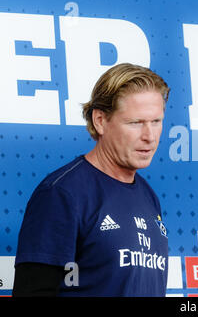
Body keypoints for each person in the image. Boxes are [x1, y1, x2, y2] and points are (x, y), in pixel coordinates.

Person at [12, 63, 170, 297]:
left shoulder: (148, 196)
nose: (149, 136)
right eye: (136, 123)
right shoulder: (62, 194)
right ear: (100, 121)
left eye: (156, 122)